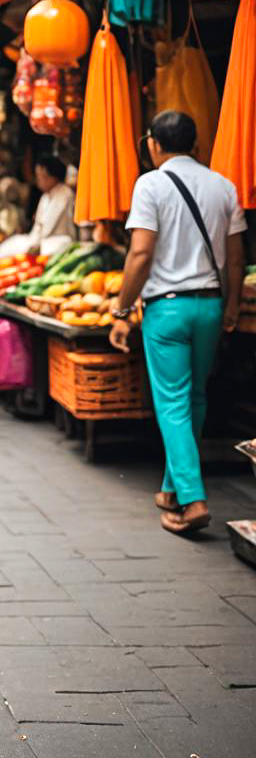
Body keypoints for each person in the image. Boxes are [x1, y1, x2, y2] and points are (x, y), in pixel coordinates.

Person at [110, 111, 245, 536]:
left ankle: (193, 500)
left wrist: (120, 308)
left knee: (171, 402)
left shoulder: (150, 184)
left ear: (153, 144)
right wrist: (233, 306)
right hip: (209, 304)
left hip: (166, 309)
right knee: (195, 397)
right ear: (196, 144)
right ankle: (172, 488)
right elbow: (237, 257)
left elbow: (140, 254)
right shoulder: (224, 186)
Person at [0, 153, 76, 260]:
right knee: (3, 249)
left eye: (41, 176)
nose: (38, 180)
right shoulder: (46, 195)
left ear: (51, 177)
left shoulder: (64, 193)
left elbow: (47, 228)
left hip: (56, 241)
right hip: (40, 240)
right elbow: (38, 227)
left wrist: (33, 244)